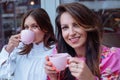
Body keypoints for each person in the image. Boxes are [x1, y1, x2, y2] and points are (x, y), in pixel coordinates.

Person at [45, 2, 120, 80]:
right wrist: (53, 77)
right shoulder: (58, 53)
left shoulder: (112, 57)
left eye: (76, 25)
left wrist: (90, 78)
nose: (71, 33)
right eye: (65, 28)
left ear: (88, 26)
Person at [0, 8, 57, 80]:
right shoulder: (19, 49)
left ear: (45, 28)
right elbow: (3, 74)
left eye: (34, 26)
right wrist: (8, 50)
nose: (29, 31)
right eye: (26, 27)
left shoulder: (55, 51)